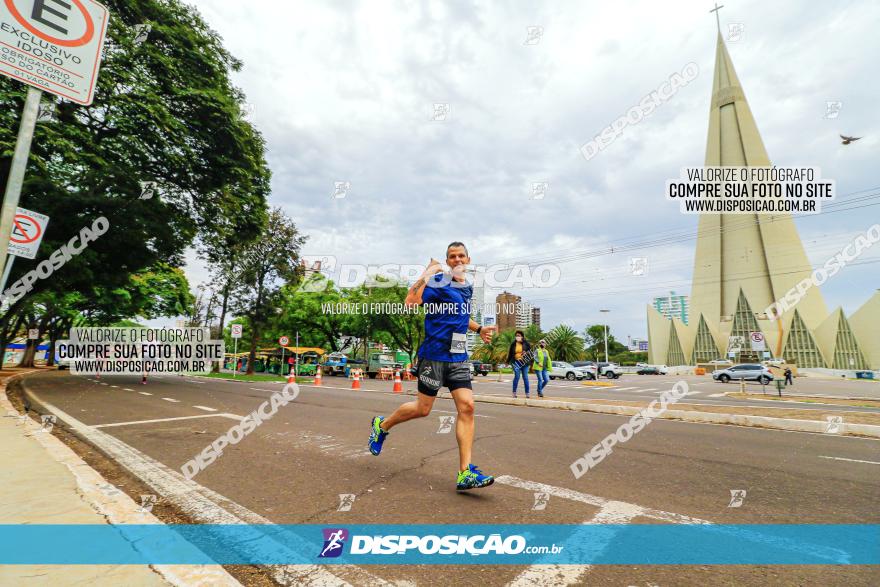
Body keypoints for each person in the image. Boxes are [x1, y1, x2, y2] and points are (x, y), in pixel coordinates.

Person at [368, 242, 497, 491]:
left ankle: (464, 474)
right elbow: (410, 300)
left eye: (461, 255)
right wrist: (428, 272)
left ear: (468, 260)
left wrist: (479, 329)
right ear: (447, 260)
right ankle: (382, 426)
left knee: (467, 407)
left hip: (458, 357)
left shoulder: (466, 287)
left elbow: (459, 316)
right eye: (452, 256)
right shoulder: (438, 282)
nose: (457, 259)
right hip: (434, 355)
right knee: (423, 409)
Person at [507, 330, 531, 399]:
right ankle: (514, 393)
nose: (517, 337)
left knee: (525, 377)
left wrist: (526, 353)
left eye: (519, 336)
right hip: (516, 362)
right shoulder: (513, 344)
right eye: (516, 335)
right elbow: (510, 354)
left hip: (525, 362)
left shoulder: (526, 343)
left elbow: (531, 353)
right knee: (517, 376)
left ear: (522, 337)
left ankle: (527, 393)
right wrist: (507, 362)